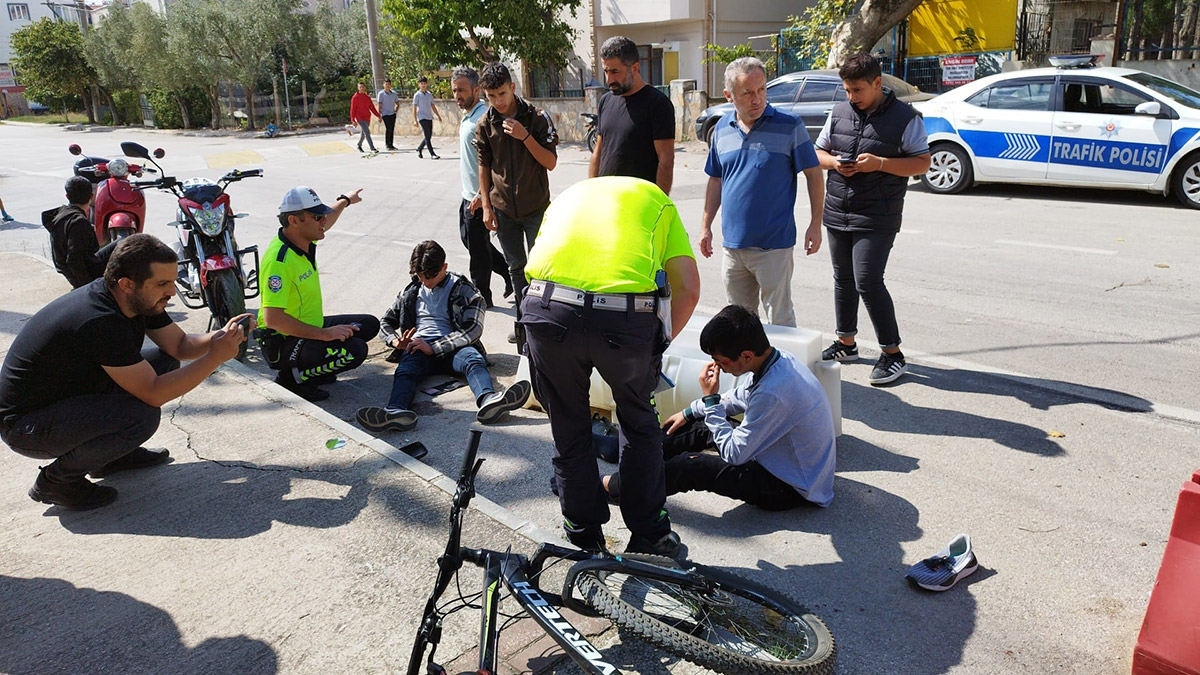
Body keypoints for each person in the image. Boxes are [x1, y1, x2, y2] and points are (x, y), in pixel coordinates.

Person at [0, 234, 250, 511]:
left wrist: (220, 338)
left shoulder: (137, 298)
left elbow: (179, 346)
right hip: (27, 426)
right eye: (163, 283)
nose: (171, 291)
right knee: (139, 418)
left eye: (172, 280)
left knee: (164, 362)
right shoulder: (99, 319)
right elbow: (153, 393)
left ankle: (111, 457)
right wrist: (216, 357)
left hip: (67, 398)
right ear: (127, 284)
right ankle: (57, 482)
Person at [521, 176, 701, 558]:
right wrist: (658, 344)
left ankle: (583, 531)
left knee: (568, 425)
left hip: (546, 311)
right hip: (623, 319)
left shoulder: (571, 194)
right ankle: (650, 535)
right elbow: (688, 287)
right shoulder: (658, 200)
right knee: (638, 423)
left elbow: (534, 269)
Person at [602, 305, 835, 510]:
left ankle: (616, 487)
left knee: (692, 466)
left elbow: (735, 454)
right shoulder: (778, 360)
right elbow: (738, 398)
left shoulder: (774, 392)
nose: (720, 368)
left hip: (788, 486)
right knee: (699, 425)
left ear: (746, 355)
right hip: (778, 455)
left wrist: (710, 400)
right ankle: (627, 452)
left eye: (722, 362)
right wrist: (689, 411)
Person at [814, 53, 931, 385]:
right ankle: (846, 343)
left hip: (878, 214)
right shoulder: (839, 113)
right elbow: (817, 151)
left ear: (877, 84)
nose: (852, 97)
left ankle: (892, 354)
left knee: (867, 280)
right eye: (847, 90)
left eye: (858, 90)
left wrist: (880, 163)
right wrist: (835, 164)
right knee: (843, 278)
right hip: (838, 209)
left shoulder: (906, 118)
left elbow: (922, 162)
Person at [355, 240, 532, 432]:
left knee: (473, 360)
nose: (426, 281)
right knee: (406, 370)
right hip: (418, 347)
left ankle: (489, 401)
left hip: (454, 347)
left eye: (431, 276)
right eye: (421, 276)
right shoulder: (411, 291)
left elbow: (472, 329)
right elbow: (386, 322)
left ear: (444, 267)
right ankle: (396, 412)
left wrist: (434, 347)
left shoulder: (465, 290)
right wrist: (395, 341)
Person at [701, 57, 824, 328]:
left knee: (780, 319)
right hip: (733, 247)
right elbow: (716, 179)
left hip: (774, 247)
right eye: (747, 93)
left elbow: (814, 174)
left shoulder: (789, 125)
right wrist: (705, 226)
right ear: (729, 96)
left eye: (762, 90)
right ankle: (748, 371)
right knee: (739, 324)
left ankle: (785, 371)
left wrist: (815, 224)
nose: (757, 99)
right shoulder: (721, 129)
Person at [255, 186, 380, 402]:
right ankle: (292, 379)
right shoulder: (279, 261)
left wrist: (345, 201)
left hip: (308, 325)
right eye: (316, 217)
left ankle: (315, 365)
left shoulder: (302, 239)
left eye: (321, 215)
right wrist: (325, 334)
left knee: (368, 324)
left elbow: (327, 221)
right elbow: (273, 319)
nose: (323, 221)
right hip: (284, 340)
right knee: (355, 350)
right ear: (294, 221)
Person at [476, 62, 559, 341]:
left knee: (541, 267)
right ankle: (524, 324)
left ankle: (544, 322)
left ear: (513, 87)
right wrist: (486, 206)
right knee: (516, 268)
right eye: (491, 96)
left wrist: (525, 136)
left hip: (536, 208)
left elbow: (551, 162)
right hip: (503, 210)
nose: (498, 101)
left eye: (501, 93)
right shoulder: (486, 123)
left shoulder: (537, 117)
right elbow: (484, 166)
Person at [451, 65, 511, 307]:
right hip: (468, 194)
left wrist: (481, 195)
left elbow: (494, 161)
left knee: (477, 252)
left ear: (477, 89)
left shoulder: (482, 118)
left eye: (462, 90)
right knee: (472, 241)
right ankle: (506, 271)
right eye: (455, 90)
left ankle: (481, 297)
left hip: (480, 197)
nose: (457, 95)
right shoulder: (468, 115)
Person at [589, 36, 675, 195]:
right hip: (607, 199)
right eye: (606, 71)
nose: (609, 80)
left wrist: (659, 203)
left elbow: (666, 159)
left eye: (615, 72)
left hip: (640, 202)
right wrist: (591, 191)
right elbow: (599, 151)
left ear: (634, 68)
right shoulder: (605, 101)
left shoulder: (658, 104)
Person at [42, 175, 116, 289]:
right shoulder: (79, 222)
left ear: (67, 196)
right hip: (84, 274)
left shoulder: (61, 213)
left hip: (72, 267)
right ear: (91, 197)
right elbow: (74, 260)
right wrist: (87, 287)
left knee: (121, 242)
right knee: (126, 247)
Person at [413, 76, 443, 159]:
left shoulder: (429, 95)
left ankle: (419, 148)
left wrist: (438, 116)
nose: (423, 85)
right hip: (422, 117)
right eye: (421, 83)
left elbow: (433, 106)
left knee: (428, 136)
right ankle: (432, 154)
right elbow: (414, 108)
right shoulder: (417, 95)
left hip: (429, 117)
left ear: (427, 84)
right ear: (419, 84)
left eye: (424, 83)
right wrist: (415, 120)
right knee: (427, 135)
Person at [350, 81, 380, 154]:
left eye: (363, 87)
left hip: (367, 117)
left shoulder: (367, 97)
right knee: (367, 132)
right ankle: (372, 148)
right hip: (360, 118)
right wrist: (353, 119)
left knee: (364, 133)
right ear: (358, 88)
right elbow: (353, 109)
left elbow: (372, 108)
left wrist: (378, 116)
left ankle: (359, 145)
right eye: (360, 87)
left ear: (365, 88)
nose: (361, 88)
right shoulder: (355, 97)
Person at [377, 78, 401, 151]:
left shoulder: (394, 94)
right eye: (386, 84)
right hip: (385, 114)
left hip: (392, 114)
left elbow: (397, 103)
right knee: (388, 128)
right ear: (383, 85)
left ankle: (391, 145)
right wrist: (379, 115)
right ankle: (388, 144)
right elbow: (379, 105)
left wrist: (395, 111)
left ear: (390, 85)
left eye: (388, 84)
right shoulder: (381, 94)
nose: (387, 86)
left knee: (392, 129)